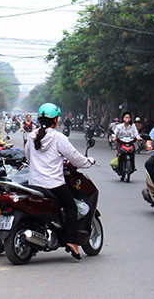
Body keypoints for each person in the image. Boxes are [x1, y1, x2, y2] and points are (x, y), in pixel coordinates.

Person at [25, 103, 95, 260]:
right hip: (53, 184)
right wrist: (89, 161)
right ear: (55, 120)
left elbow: (28, 158)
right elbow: (75, 158)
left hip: (34, 183)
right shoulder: (58, 138)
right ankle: (71, 241)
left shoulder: (32, 136)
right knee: (71, 208)